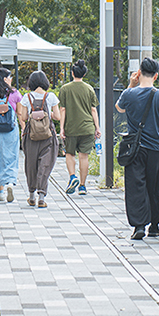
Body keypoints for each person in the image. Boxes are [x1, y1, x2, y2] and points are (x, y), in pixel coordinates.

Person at [115, 57, 159, 240]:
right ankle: (154, 225)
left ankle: (139, 226)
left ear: (139, 73)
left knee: (136, 187)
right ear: (156, 76)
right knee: (155, 188)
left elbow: (119, 109)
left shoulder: (129, 94)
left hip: (135, 150)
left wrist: (131, 84)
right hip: (156, 150)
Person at [17, 71, 61, 208]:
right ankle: (41, 197)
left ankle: (31, 196)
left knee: (31, 165)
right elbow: (58, 117)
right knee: (45, 165)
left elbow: (23, 117)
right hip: (48, 136)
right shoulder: (51, 96)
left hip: (31, 136)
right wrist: (47, 114)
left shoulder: (26, 97)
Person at [58, 60, 101, 196]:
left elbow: (63, 110)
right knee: (84, 157)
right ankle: (82, 186)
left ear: (72, 73)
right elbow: (93, 110)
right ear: (84, 73)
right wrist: (97, 127)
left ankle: (72, 177)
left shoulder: (65, 88)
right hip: (87, 127)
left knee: (70, 154)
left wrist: (61, 128)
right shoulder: (89, 89)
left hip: (71, 127)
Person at [0, 68, 22, 202]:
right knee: (12, 156)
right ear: (5, 79)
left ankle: (0, 191)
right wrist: (22, 127)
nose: (11, 79)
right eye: (10, 77)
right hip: (11, 130)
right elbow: (20, 113)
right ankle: (11, 183)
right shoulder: (15, 93)